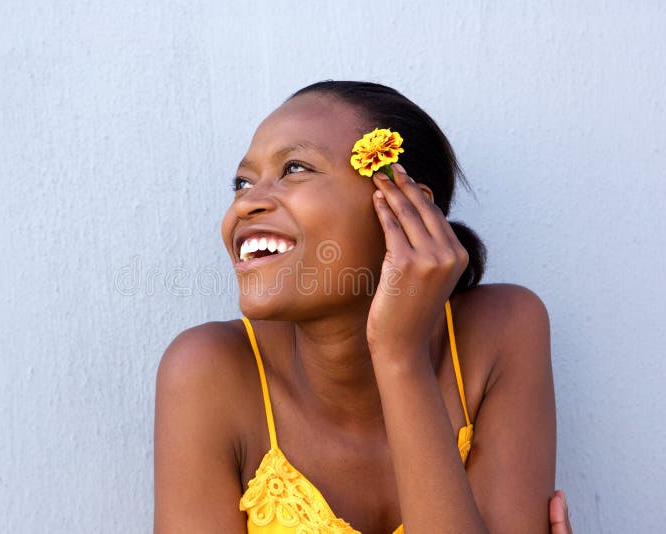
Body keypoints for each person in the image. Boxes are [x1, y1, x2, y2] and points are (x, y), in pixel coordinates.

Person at [154, 81, 573, 533]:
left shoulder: (504, 330)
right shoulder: (207, 372)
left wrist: (399, 356)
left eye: (295, 168)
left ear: (404, 209)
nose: (247, 203)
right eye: (242, 182)